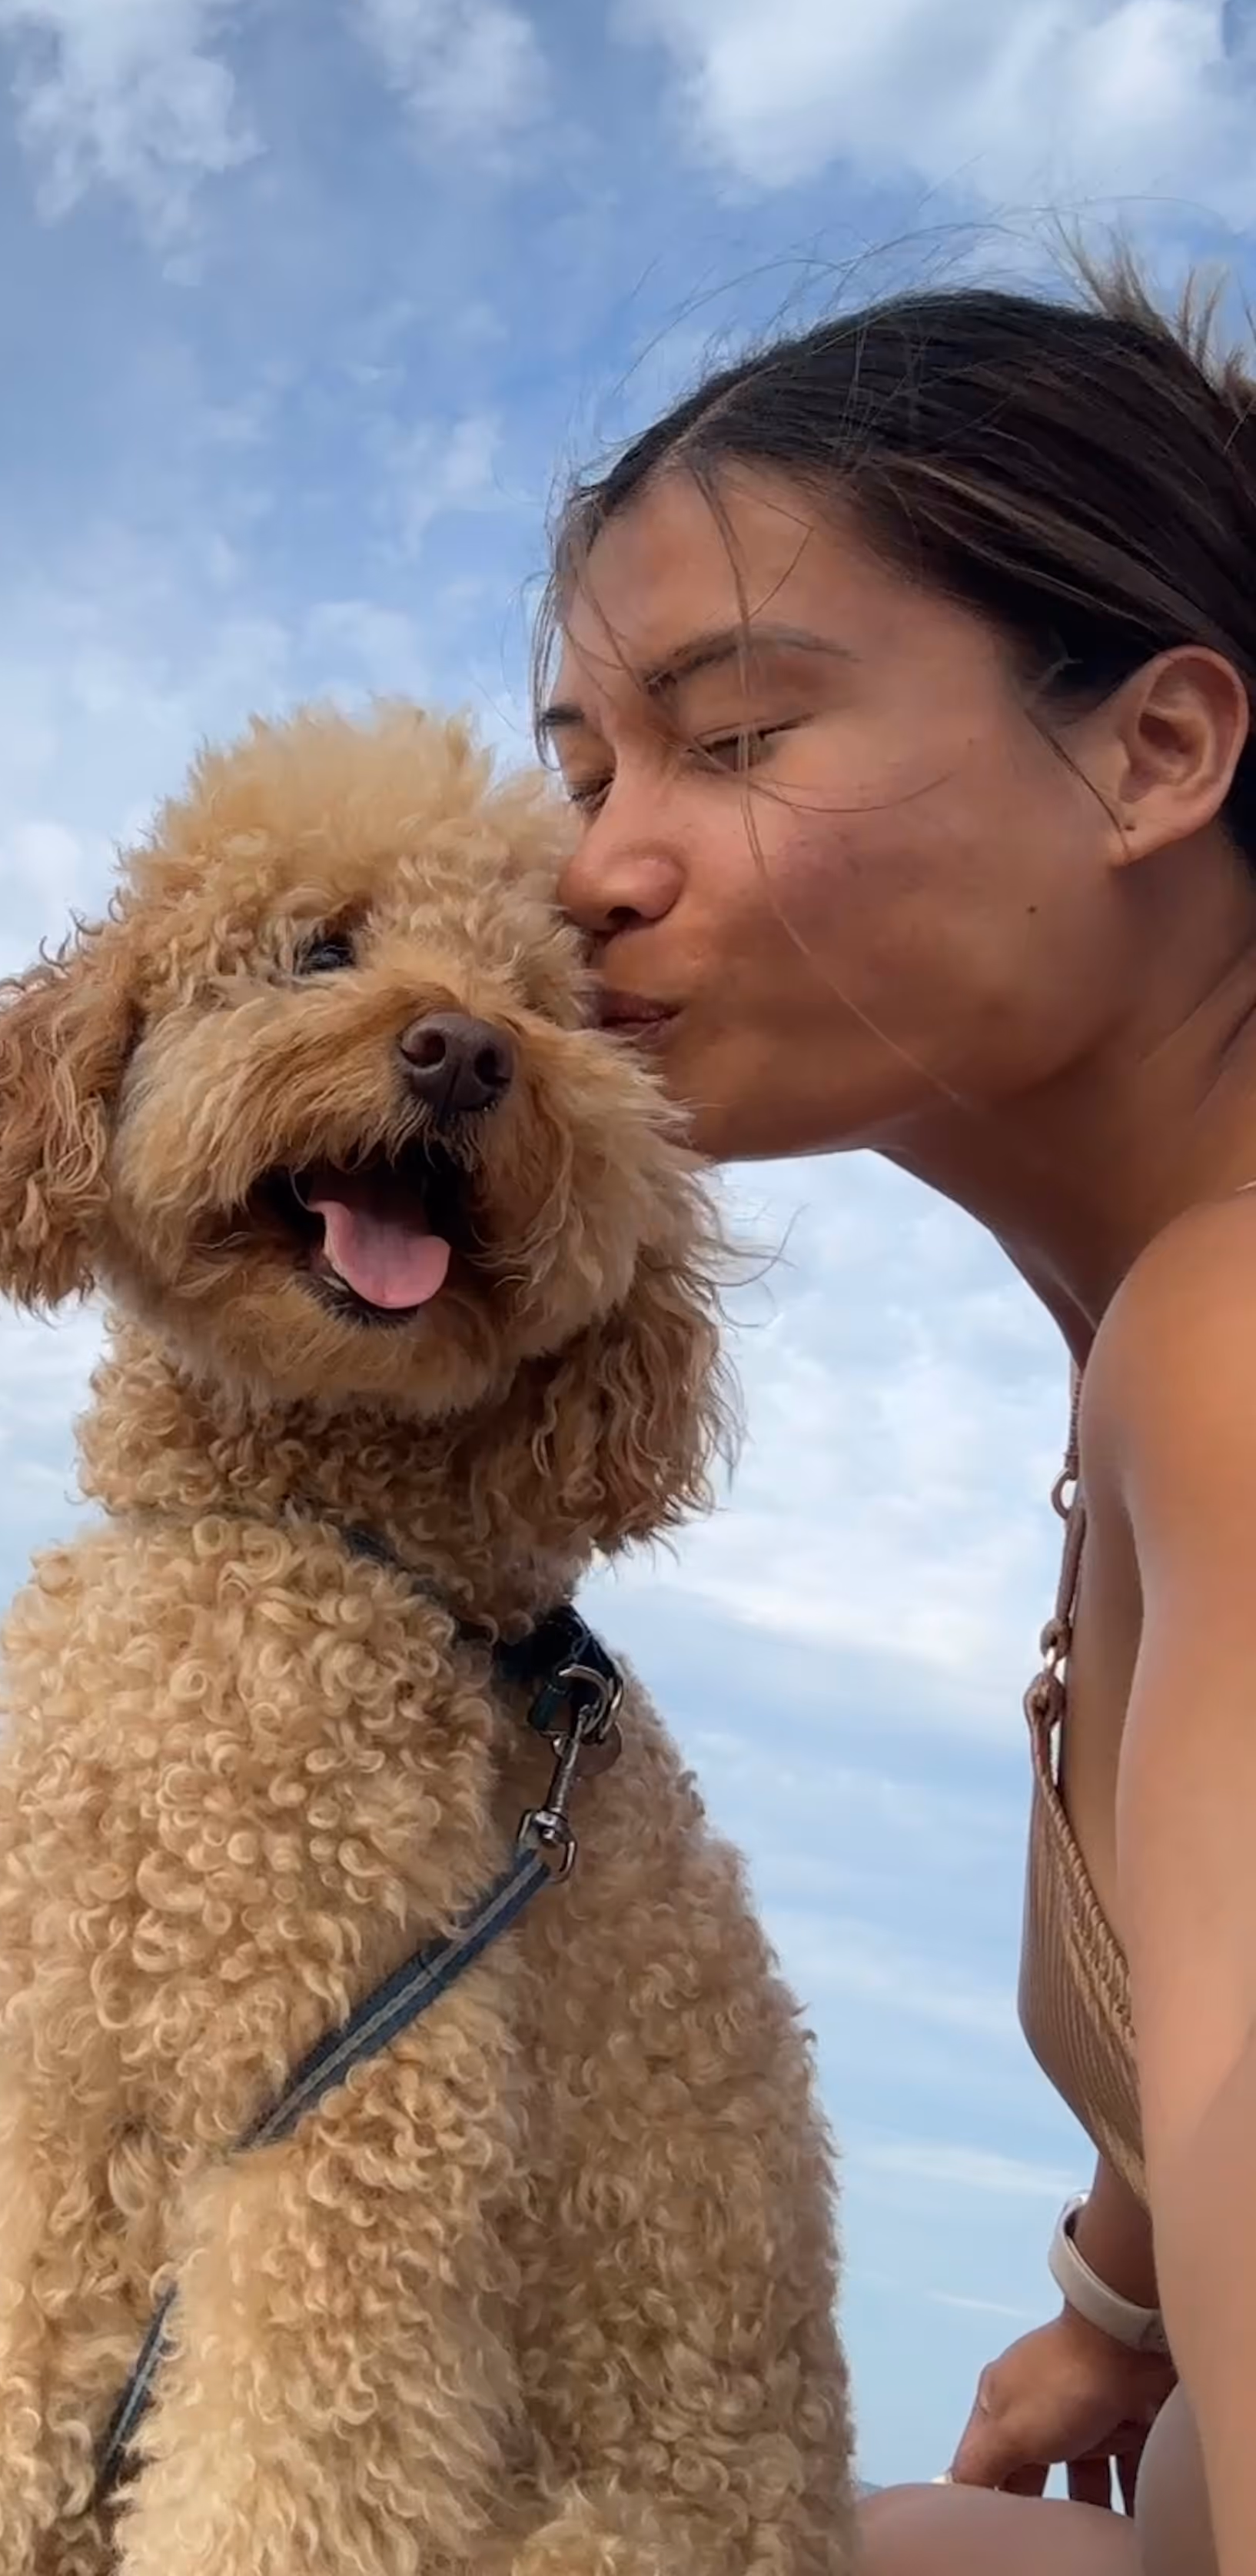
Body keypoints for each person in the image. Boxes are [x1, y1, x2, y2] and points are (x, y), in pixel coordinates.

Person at [537, 256, 1256, 2575]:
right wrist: (1117, 2298)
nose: (591, 870)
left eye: (733, 738)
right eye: (584, 770)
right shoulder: (1163, 1343)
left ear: (1155, 754)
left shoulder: (1230, 1341)